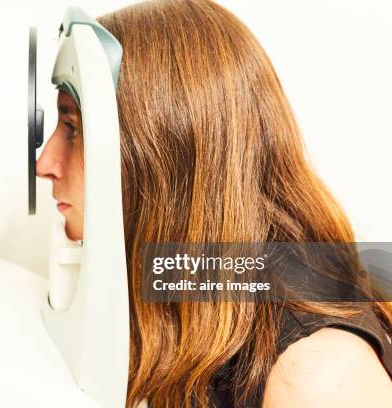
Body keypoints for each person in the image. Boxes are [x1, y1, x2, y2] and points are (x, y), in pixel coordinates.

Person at [36, 0, 392, 406]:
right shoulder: (182, 281)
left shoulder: (317, 372)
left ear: (168, 153)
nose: (45, 164)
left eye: (73, 129)